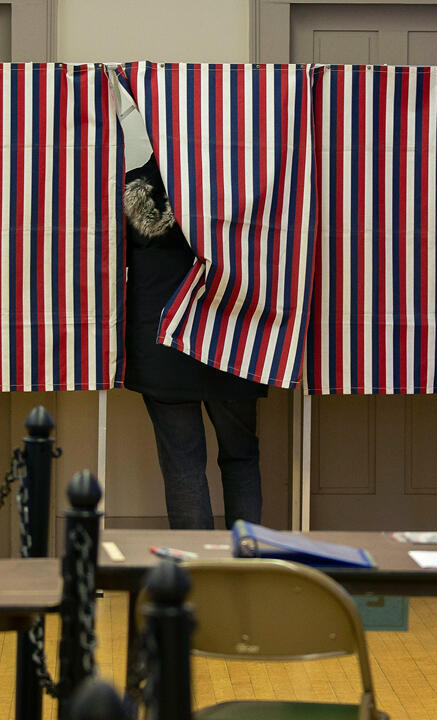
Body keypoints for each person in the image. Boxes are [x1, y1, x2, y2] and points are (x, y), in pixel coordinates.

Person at [123, 156, 266, 530]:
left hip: (163, 347)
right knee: (241, 456)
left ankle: (198, 575)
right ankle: (249, 568)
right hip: (231, 338)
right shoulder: (240, 186)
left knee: (183, 465)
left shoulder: (134, 188)